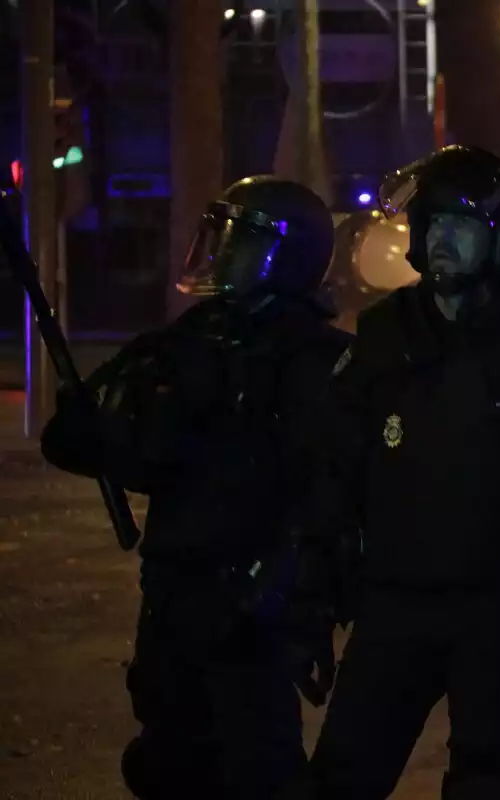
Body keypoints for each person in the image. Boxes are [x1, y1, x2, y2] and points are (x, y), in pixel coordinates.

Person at [39, 176, 351, 800]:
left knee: (258, 766)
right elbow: (121, 452)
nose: (225, 253)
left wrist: (297, 585)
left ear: (287, 258)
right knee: (170, 760)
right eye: (224, 238)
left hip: (256, 601)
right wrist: (97, 432)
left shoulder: (318, 359)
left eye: (242, 242)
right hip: (175, 590)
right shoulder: (185, 342)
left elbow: (328, 485)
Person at [290, 145, 500, 800]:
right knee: (338, 779)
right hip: (395, 602)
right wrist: (311, 595)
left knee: (484, 784)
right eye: (434, 223)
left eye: (461, 225)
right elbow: (335, 469)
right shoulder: (385, 333)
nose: (441, 238)